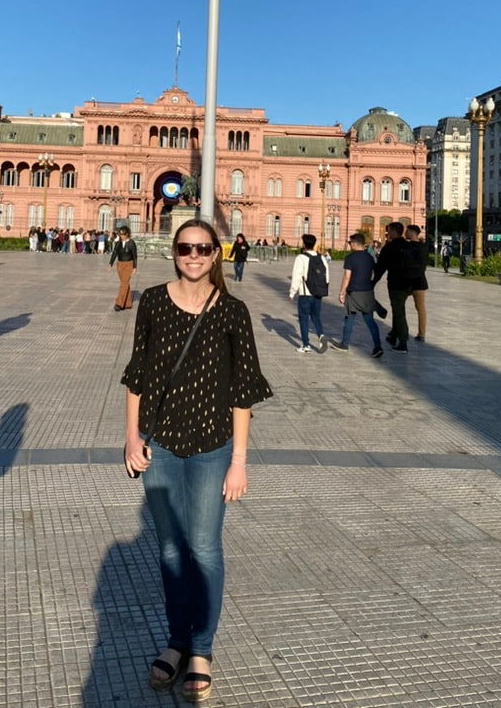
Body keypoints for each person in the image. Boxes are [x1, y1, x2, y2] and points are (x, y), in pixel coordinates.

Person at [122, 219, 272, 702]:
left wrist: (240, 461)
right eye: (186, 247)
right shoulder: (152, 302)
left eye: (203, 248)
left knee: (204, 548)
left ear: (216, 254)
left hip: (213, 448)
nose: (194, 255)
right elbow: (136, 375)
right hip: (159, 442)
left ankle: (201, 649)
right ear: (174, 252)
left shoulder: (233, 310)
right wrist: (130, 437)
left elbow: (243, 391)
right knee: (170, 550)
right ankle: (177, 640)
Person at [331, 233, 383, 357]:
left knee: (349, 318)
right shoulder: (370, 257)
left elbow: (347, 277)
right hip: (367, 292)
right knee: (370, 321)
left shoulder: (350, 258)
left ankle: (345, 344)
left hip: (353, 292)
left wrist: (341, 292)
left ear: (354, 244)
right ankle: (378, 346)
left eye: (350, 243)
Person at [372, 222, 420, 353]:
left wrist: (372, 283)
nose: (388, 234)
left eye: (389, 231)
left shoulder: (390, 247)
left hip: (396, 284)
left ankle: (403, 342)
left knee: (399, 311)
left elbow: (381, 267)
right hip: (410, 283)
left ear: (394, 232)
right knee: (398, 308)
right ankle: (393, 335)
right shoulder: (409, 245)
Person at [289, 233, 330, 353]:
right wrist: (323, 288)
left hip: (305, 294)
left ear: (304, 244)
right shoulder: (321, 257)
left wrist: (292, 292)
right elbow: (326, 276)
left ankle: (306, 345)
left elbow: (296, 276)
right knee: (316, 316)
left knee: (304, 319)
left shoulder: (301, 258)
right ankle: (321, 335)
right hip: (318, 293)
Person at [405, 224, 429, 343]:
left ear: (412, 232)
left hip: (408, 281)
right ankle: (422, 333)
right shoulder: (424, 247)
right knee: (420, 308)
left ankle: (400, 330)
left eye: (407, 231)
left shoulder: (407, 247)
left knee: (399, 306)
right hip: (420, 280)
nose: (405, 233)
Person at [109, 225, 137, 311]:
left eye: (123, 234)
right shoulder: (118, 243)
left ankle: (119, 303)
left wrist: (135, 267)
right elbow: (115, 253)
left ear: (127, 234)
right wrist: (110, 263)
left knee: (124, 284)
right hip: (120, 264)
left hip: (128, 264)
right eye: (120, 234)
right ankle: (127, 303)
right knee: (124, 283)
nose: (121, 236)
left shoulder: (131, 243)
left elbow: (134, 255)